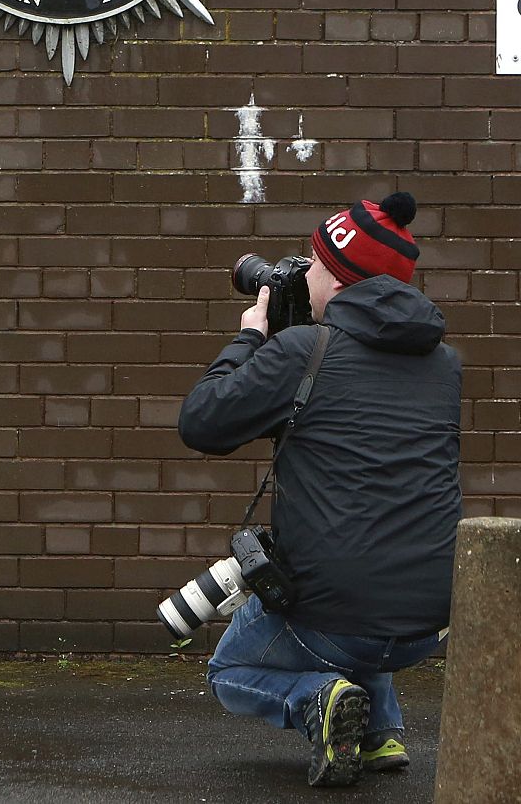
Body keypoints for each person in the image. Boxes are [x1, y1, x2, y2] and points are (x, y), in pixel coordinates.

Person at [177, 192, 462, 788]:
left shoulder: (302, 352)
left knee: (229, 669)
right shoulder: (443, 365)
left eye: (312, 264)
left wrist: (253, 339)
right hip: (426, 622)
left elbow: (201, 422)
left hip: (340, 619)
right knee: (368, 570)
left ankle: (318, 701)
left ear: (337, 277)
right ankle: (381, 734)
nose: (303, 275)